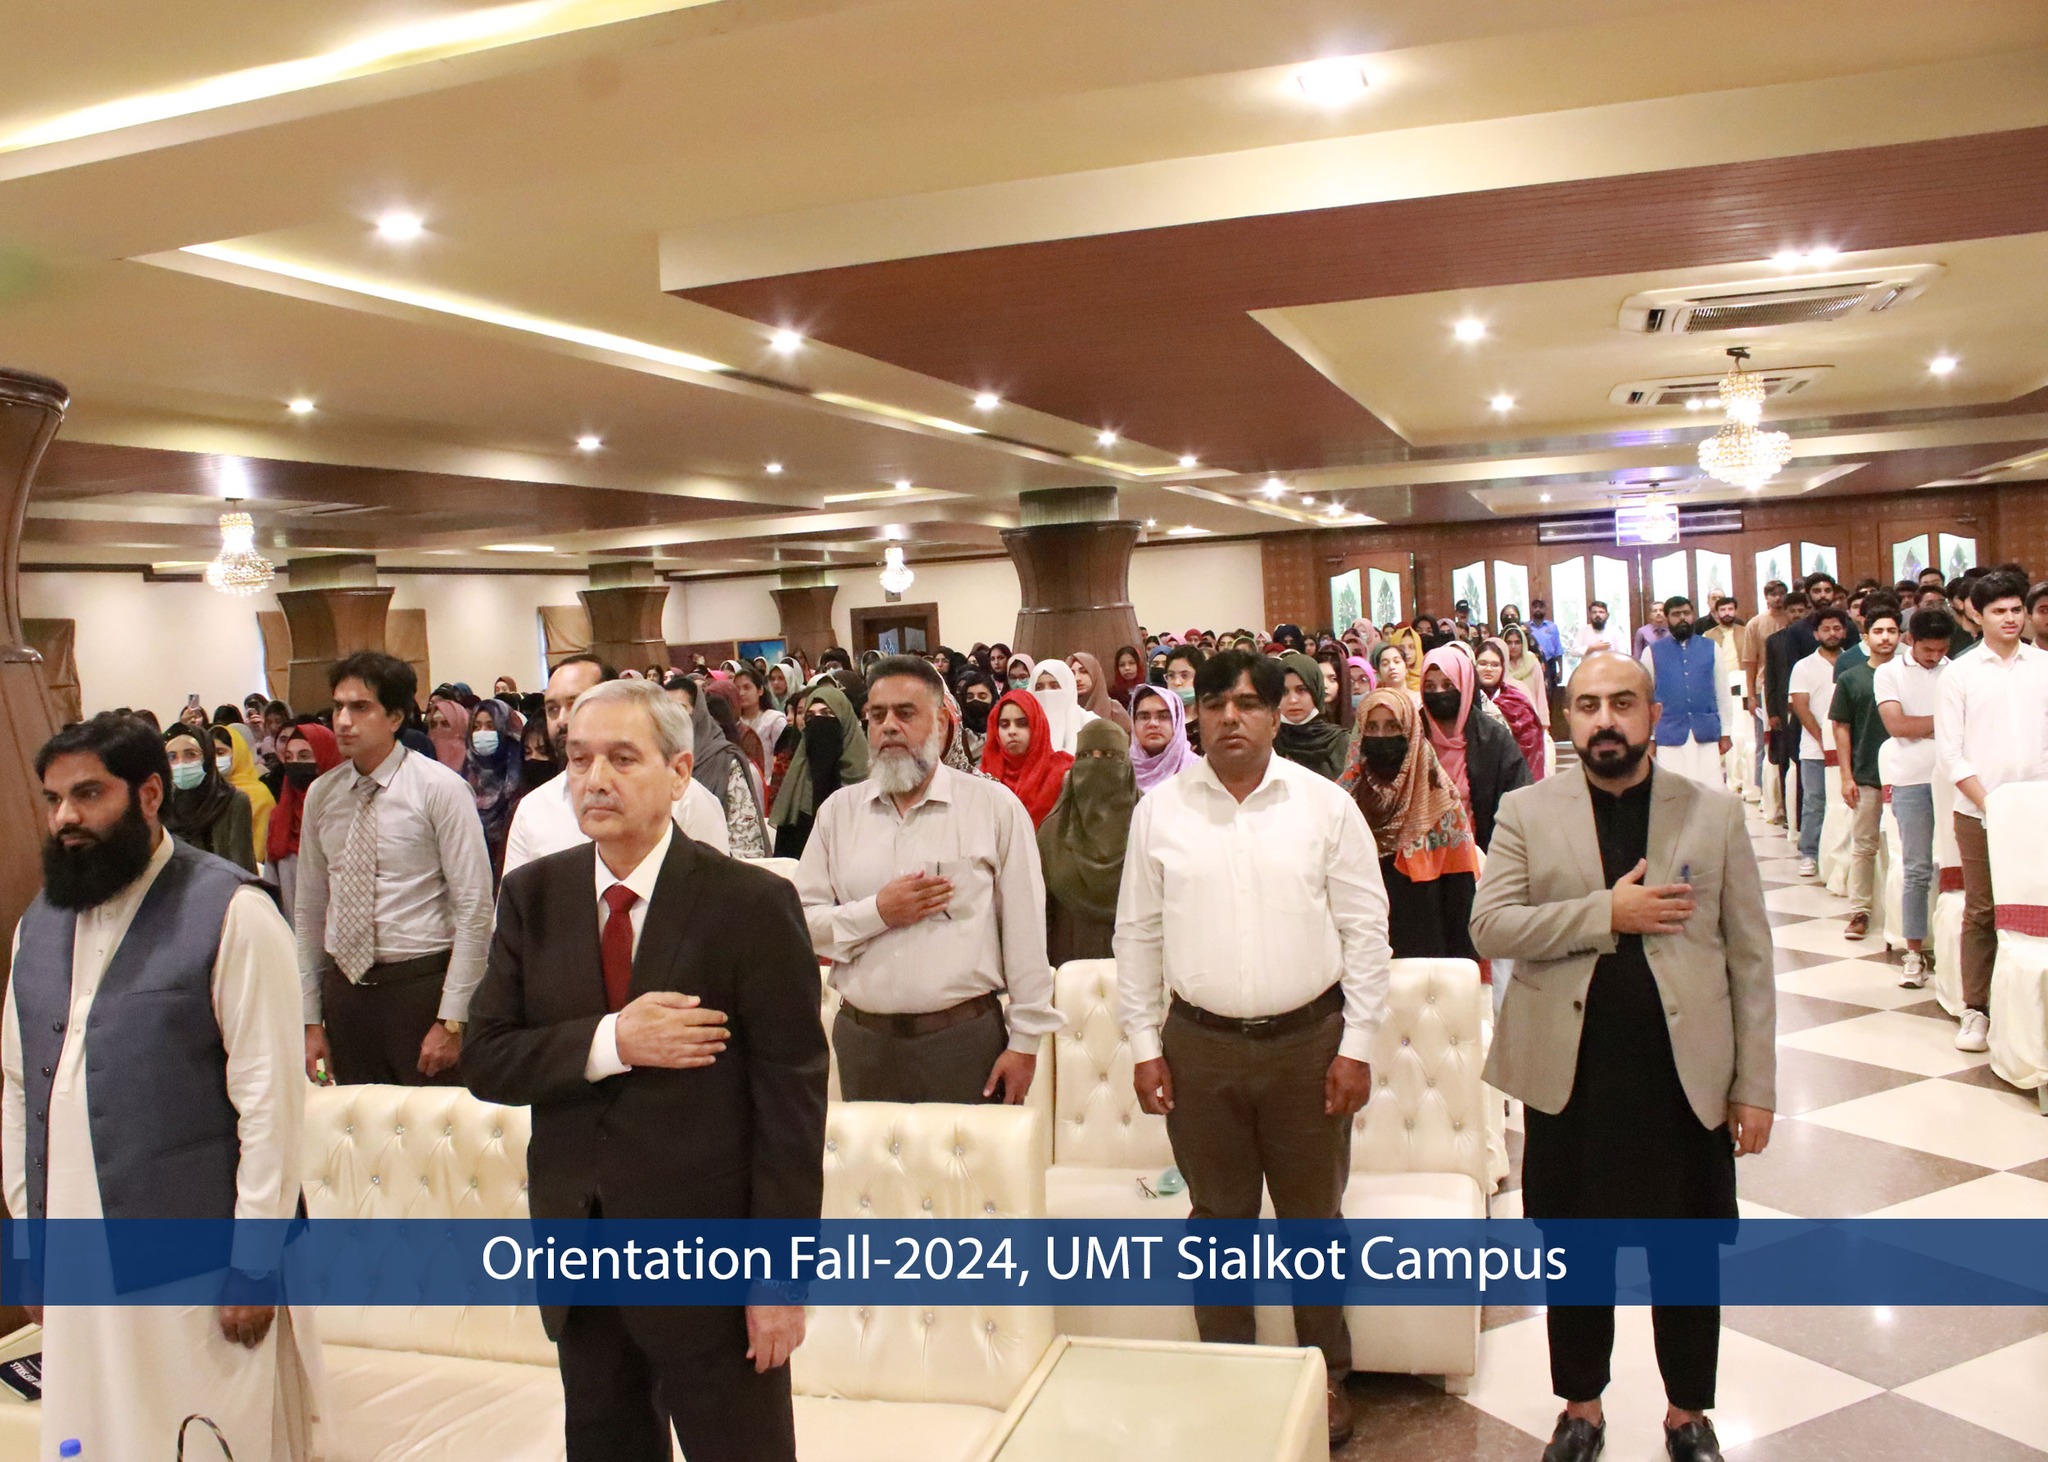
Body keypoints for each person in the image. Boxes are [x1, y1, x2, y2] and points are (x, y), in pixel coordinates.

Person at [463, 679, 826, 1462]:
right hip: (581, 1258)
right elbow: (487, 1057)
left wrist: (780, 1276)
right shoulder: (533, 896)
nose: (595, 780)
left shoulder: (750, 905)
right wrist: (611, 1042)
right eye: (579, 759)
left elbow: (791, 1105)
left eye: (622, 759)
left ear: (679, 772)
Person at [1471, 653, 1774, 1462]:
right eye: (1587, 705)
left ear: (1652, 715)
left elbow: (1750, 958)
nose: (1604, 720)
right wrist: (1607, 912)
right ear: (1567, 718)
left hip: (1684, 1079)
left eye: (1622, 703)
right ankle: (1581, 1410)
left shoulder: (1712, 813)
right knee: (1577, 1252)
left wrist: (1755, 1085)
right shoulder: (1525, 811)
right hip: (1572, 1078)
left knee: (1688, 1253)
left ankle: (1687, 1415)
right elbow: (1490, 926)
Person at [5, 714, 319, 1459]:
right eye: (54, 799)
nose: (66, 817)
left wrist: (254, 1263)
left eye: (88, 794)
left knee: (200, 1435)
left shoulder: (233, 911)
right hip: (74, 1246)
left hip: (198, 1255)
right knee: (92, 1432)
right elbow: (17, 1087)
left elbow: (271, 1105)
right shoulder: (39, 923)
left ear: (149, 795)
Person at [1116, 650, 1393, 1449]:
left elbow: (1366, 930)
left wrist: (1358, 1044)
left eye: (1247, 703)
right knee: (1217, 1222)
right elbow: (1136, 936)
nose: (1230, 716)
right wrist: (1143, 1044)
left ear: (1277, 715)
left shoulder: (1323, 806)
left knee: (1314, 1222)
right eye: (1214, 703)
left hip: (1309, 1045)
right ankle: (1231, 1374)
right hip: (1197, 1048)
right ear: (1196, 717)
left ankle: (1326, 1376)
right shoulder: (1160, 813)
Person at [797, 657, 1060, 1104]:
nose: (889, 726)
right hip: (864, 1041)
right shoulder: (838, 814)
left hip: (963, 1042)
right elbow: (801, 923)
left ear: (940, 723)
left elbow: (1026, 932)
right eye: (877, 715)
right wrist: (878, 913)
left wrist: (1025, 1042)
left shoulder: (992, 807)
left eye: (905, 713)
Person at [296, 652, 495, 1086]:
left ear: (395, 717)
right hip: (345, 992)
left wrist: (453, 1019)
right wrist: (310, 1018)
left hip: (419, 989)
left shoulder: (440, 789)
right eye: (338, 707)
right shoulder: (322, 794)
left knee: (430, 1123)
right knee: (358, 1122)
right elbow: (309, 909)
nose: (343, 721)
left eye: (360, 707)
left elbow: (475, 907)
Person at [1935, 570, 2048, 1051]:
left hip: (2039, 808)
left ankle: (2032, 1010)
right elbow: (1950, 753)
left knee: (2037, 903)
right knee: (1982, 908)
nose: (2010, 618)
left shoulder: (2043, 665)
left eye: (2016, 609)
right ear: (1976, 615)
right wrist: (1993, 804)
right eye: (1998, 611)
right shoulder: (1959, 673)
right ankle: (1975, 1010)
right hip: (1979, 810)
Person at [509, 656, 729, 870]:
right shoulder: (533, 810)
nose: (563, 720)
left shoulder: (685, 798)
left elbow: (712, 881)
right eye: (553, 709)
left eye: (577, 704)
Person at [1351, 688, 1482, 959]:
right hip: (1360, 952)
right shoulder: (1345, 799)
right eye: (1372, 728)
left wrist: (1462, 970)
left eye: (1392, 727)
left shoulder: (1440, 803)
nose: (1381, 737)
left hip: (1426, 955)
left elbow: (1460, 901)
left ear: (1411, 732)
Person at [1877, 608, 1952, 986]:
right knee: (1917, 868)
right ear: (1910, 640)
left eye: (1941, 650)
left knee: (1956, 868)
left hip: (1953, 779)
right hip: (1910, 780)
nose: (1935, 657)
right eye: (1928, 650)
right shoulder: (1889, 673)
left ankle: (1954, 952)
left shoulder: (1955, 671)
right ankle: (1914, 953)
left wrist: (1927, 726)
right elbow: (1897, 725)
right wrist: (1947, 723)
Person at [1039, 719, 1140, 963]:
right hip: (1069, 965)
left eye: (1108, 755)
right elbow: (1041, 916)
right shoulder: (1051, 834)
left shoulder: (1148, 826)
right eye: (1085, 756)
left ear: (1127, 763)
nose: (1096, 764)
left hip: (1138, 961)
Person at [1829, 604, 1900, 942]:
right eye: (1878, 631)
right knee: (1864, 846)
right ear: (1866, 636)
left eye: (1892, 631)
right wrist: (1846, 776)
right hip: (1867, 773)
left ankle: (1902, 914)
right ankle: (1860, 911)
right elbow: (1841, 728)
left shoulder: (1907, 674)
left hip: (1905, 776)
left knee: (1905, 848)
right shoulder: (1851, 678)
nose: (1885, 638)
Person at [1421, 645, 1532, 851]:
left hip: (1483, 855)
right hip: (1421, 859)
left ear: (1464, 686)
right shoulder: (1413, 736)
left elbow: (1520, 797)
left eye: (1448, 684)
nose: (1439, 693)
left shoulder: (1493, 738)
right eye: (1430, 686)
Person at [769, 679, 868, 859]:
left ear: (845, 718)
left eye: (827, 713)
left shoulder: (869, 778)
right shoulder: (797, 781)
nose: (819, 722)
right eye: (810, 716)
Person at [1639, 596, 1729, 787]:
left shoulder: (1711, 648)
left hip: (1705, 731)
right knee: (1673, 792)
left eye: (1686, 613)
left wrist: (1726, 732)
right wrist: (1650, 737)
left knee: (1711, 791)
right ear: (1666, 618)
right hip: (1669, 732)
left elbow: (1722, 692)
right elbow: (1645, 699)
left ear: (1693, 615)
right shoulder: (1652, 652)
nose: (1682, 618)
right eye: (1676, 614)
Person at [1788, 607, 1851, 878]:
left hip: (1848, 747)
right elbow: (1801, 708)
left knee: (1845, 802)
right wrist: (1825, 741)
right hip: (1814, 749)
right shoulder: (1803, 667)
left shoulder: (1853, 661)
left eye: (1837, 628)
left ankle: (1844, 855)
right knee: (1815, 800)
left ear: (1844, 631)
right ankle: (1810, 853)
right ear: (1816, 634)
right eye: (1826, 629)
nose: (1832, 633)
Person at [267, 723, 342, 924]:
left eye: (304, 756)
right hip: (291, 931)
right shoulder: (279, 818)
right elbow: (271, 888)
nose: (295, 764)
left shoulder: (346, 816)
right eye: (289, 757)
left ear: (325, 757)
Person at [161, 723, 257, 873]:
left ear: (207, 757)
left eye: (190, 754)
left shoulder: (233, 802)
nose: (181, 763)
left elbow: (243, 869)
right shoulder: (163, 804)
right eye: (172, 757)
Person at [981, 688, 1073, 827]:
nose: (1012, 731)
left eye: (1022, 724)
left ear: (1037, 726)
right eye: (1004, 725)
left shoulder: (1062, 774)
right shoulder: (983, 776)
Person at [466, 696, 525, 878]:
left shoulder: (522, 777)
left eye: (491, 726)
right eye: (476, 727)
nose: (482, 733)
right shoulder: (465, 775)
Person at [1476, 638, 1547, 780]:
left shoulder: (1516, 701)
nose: (1488, 669)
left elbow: (1531, 744)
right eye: (1482, 663)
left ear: (1503, 669)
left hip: (1513, 777)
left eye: (1495, 665)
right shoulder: (1466, 700)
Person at [1275, 650, 1353, 779]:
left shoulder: (1340, 742)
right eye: (1284, 692)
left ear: (1316, 691)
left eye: (1302, 690)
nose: (1293, 700)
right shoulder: (1268, 741)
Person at [214, 723, 277, 867]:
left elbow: (258, 850)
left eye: (220, 752)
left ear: (238, 754)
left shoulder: (259, 795)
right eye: (210, 753)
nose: (214, 759)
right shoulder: (206, 792)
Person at [1129, 683, 1200, 795]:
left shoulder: (1197, 770)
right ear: (1133, 722)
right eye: (1144, 717)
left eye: (1163, 717)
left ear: (1177, 721)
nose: (1152, 724)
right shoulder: (1122, 770)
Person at [1031, 656, 1098, 753]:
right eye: (1039, 688)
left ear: (1068, 688)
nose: (1046, 693)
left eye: (1054, 686)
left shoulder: (1089, 723)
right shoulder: (1024, 726)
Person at [734, 666, 788, 772]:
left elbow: (783, 758)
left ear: (760, 690)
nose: (741, 693)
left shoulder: (775, 720)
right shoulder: (734, 723)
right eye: (737, 689)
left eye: (747, 687)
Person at [1068, 650, 1134, 736]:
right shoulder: (1065, 712)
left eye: (1084, 672)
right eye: (1072, 673)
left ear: (1095, 674)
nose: (1077, 678)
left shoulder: (1114, 710)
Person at [1500, 624, 1551, 729]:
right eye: (1509, 642)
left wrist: (1543, 721)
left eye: (1517, 642)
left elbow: (1540, 692)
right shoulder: (1501, 665)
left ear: (1523, 643)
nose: (1513, 646)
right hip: (1508, 718)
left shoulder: (1532, 662)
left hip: (1531, 716)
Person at [1571, 601, 1618, 667]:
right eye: (1594, 612)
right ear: (1590, 615)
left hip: (1610, 669)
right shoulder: (1583, 631)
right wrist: (1593, 648)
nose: (1597, 615)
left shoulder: (1615, 631)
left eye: (1601, 612)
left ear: (1607, 615)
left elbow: (1622, 654)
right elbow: (1574, 652)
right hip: (1588, 669)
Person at [1110, 644, 1146, 709]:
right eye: (1122, 665)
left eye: (1131, 663)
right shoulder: (1113, 694)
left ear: (1138, 665)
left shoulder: (1147, 689)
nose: (1127, 668)